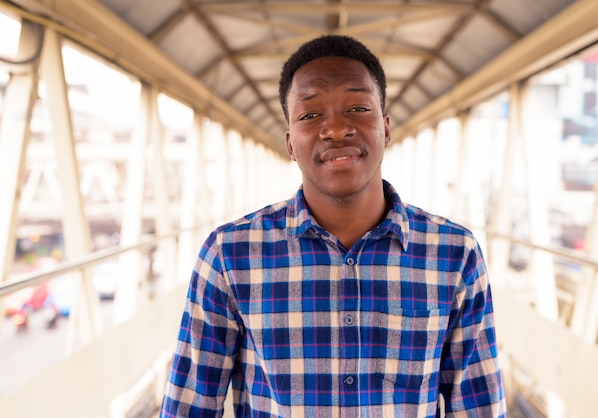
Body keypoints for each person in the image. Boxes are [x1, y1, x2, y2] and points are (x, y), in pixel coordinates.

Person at [160, 34, 507, 417]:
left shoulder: (455, 255)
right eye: (311, 115)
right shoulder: (229, 255)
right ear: (290, 144)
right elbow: (188, 407)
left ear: (387, 128)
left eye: (358, 108)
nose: (336, 129)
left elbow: (480, 407)